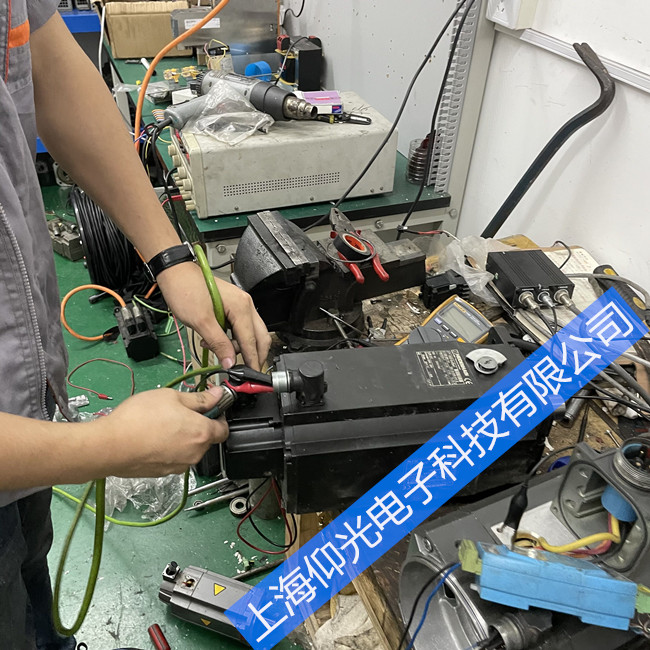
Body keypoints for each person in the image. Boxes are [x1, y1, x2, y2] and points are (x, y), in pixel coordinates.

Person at [0, 3, 271, 648]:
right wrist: (105, 446)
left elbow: (47, 68)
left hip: (24, 425)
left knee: (31, 587)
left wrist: (172, 258)